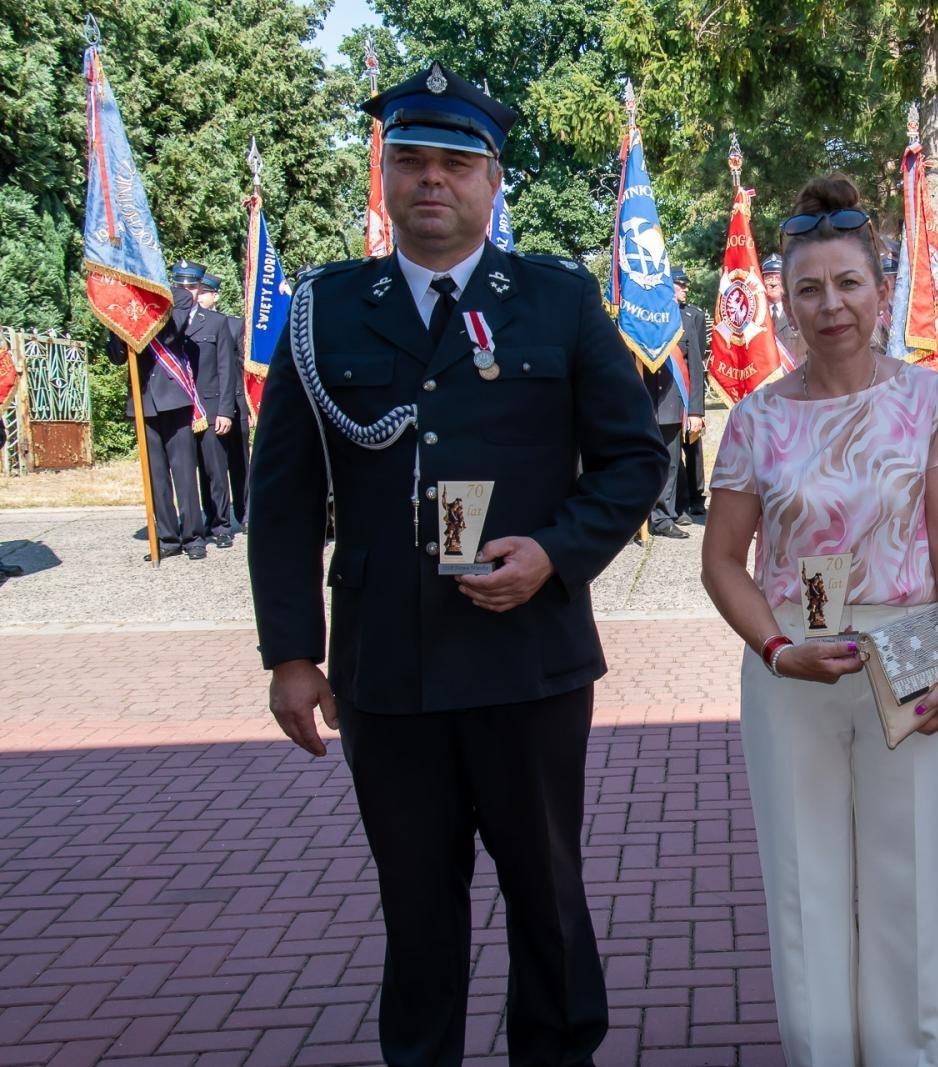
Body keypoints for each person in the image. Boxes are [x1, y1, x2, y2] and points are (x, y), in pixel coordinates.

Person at [247, 62, 668, 1067]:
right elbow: (285, 499)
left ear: (492, 184)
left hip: (527, 659)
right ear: (385, 177)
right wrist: (292, 654)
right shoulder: (326, 309)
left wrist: (555, 554)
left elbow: (634, 457)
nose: (431, 181)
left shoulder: (557, 302)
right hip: (387, 668)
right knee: (418, 909)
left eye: (455, 165)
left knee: (547, 900)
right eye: (410, 161)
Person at [701, 174, 938, 1066]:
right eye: (812, 288)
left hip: (910, 651)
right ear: (786, 299)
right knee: (804, 882)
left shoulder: (929, 399)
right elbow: (721, 562)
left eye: (850, 283)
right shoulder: (755, 418)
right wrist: (778, 647)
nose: (833, 306)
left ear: (880, 287)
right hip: (794, 660)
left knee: (905, 880)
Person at [106, 260, 213, 561]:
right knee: (157, 477)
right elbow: (116, 356)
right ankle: (167, 537)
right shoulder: (125, 309)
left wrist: (141, 303)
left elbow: (171, 331)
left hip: (174, 400)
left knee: (183, 473)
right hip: (144, 402)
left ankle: (193, 536)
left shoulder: (172, 297)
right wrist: (117, 318)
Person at [642, 267, 706, 539]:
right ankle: (646, 514)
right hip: (646, 400)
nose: (685, 289)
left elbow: (694, 365)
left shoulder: (686, 319)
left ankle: (662, 516)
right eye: (679, 285)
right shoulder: (644, 317)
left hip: (672, 400)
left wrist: (695, 410)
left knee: (670, 461)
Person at [180, 270, 239, 548]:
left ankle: (221, 524)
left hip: (212, 406)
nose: (186, 291)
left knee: (215, 469)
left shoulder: (216, 322)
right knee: (187, 471)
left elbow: (227, 368)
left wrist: (226, 410)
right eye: (180, 285)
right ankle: (197, 523)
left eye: (192, 286)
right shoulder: (170, 322)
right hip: (181, 409)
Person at [199, 273, 252, 532]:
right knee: (210, 466)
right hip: (207, 405)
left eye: (203, 292)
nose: (198, 296)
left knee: (240, 461)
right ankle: (214, 514)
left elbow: (243, 366)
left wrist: (250, 405)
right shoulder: (188, 328)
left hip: (237, 402)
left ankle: (245, 512)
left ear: (215, 296)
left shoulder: (234, 325)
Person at [673, 266, 711, 520]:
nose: (686, 288)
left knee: (693, 444)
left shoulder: (693, 315)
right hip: (670, 392)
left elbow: (697, 356)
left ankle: (697, 496)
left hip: (688, 384)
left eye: (686, 285)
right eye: (681, 284)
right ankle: (680, 498)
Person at [762, 253, 802, 359]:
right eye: (769, 278)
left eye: (778, 277)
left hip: (794, 374)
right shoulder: (755, 314)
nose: (773, 283)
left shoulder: (799, 312)